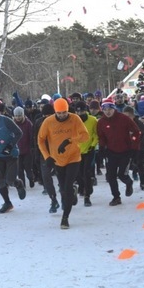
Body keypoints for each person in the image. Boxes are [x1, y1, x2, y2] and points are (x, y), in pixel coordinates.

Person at [37, 98, 89, 228]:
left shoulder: (75, 119)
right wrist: (47, 156)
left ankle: (65, 217)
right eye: (59, 113)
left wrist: (70, 140)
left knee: (66, 186)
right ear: (55, 112)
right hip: (57, 159)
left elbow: (85, 136)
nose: (62, 115)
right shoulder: (48, 122)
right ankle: (72, 191)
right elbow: (41, 140)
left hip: (73, 157)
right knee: (63, 189)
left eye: (64, 112)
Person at [97, 97, 141, 206]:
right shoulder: (101, 122)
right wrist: (102, 149)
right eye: (105, 109)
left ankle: (128, 182)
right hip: (111, 152)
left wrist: (134, 147)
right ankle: (116, 197)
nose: (107, 111)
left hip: (125, 151)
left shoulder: (123, 118)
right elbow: (101, 137)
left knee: (121, 174)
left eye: (110, 109)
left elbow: (136, 132)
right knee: (111, 176)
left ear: (114, 108)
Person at [33, 103, 59, 213]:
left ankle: (68, 192)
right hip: (45, 154)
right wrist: (36, 154)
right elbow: (35, 140)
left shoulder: (59, 122)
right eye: (45, 116)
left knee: (62, 176)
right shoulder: (39, 123)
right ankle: (53, 199)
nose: (47, 118)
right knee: (46, 177)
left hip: (59, 153)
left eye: (50, 115)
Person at [123, 105, 144, 191]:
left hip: (140, 147)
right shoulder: (122, 123)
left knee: (140, 164)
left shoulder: (139, 123)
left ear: (133, 115)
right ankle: (133, 173)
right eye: (124, 116)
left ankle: (142, 183)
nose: (127, 118)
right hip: (128, 147)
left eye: (128, 116)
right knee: (127, 164)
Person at [74, 101, 98, 206]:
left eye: (82, 110)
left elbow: (96, 134)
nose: (80, 113)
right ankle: (83, 186)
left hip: (89, 150)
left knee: (86, 172)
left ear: (86, 110)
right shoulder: (73, 121)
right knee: (78, 174)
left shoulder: (93, 120)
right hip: (76, 151)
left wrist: (93, 145)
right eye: (78, 111)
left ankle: (87, 196)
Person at [12, 106, 35, 188]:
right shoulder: (12, 123)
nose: (18, 117)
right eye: (16, 116)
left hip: (27, 150)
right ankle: (22, 185)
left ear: (23, 115)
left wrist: (32, 147)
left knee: (28, 168)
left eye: (19, 115)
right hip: (17, 151)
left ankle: (31, 178)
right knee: (19, 169)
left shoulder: (28, 124)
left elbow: (32, 136)